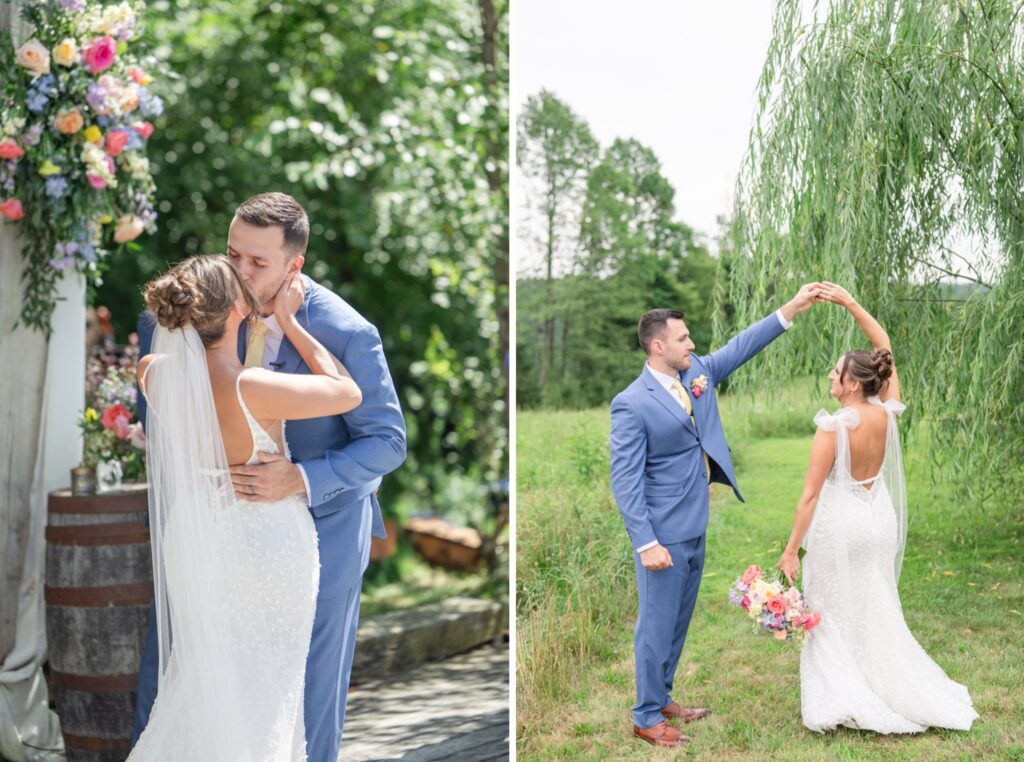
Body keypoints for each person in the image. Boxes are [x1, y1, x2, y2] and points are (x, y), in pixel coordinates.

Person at [131, 193, 407, 760]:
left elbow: (387, 441)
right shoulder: (181, 318)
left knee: (305, 693)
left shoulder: (346, 332)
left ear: (293, 266)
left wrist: (300, 478)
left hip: (314, 535)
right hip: (211, 533)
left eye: (258, 263)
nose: (240, 272)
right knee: (179, 673)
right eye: (233, 254)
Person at [609, 284, 822, 748]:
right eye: (683, 339)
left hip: (696, 525)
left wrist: (791, 309)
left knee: (678, 621)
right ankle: (645, 716)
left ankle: (662, 697)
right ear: (658, 346)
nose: (692, 345)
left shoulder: (697, 374)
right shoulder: (631, 403)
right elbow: (624, 480)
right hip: (662, 535)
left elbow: (742, 345)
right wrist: (646, 542)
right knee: (655, 624)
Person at [777, 282, 978, 734]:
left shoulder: (834, 426)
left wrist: (791, 551)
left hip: (841, 525)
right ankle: (891, 685)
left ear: (852, 382)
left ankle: (843, 698)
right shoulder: (886, 410)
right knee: (875, 604)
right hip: (878, 519)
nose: (829, 378)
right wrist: (851, 302)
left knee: (828, 609)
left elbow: (809, 496)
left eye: (834, 373)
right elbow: (882, 347)